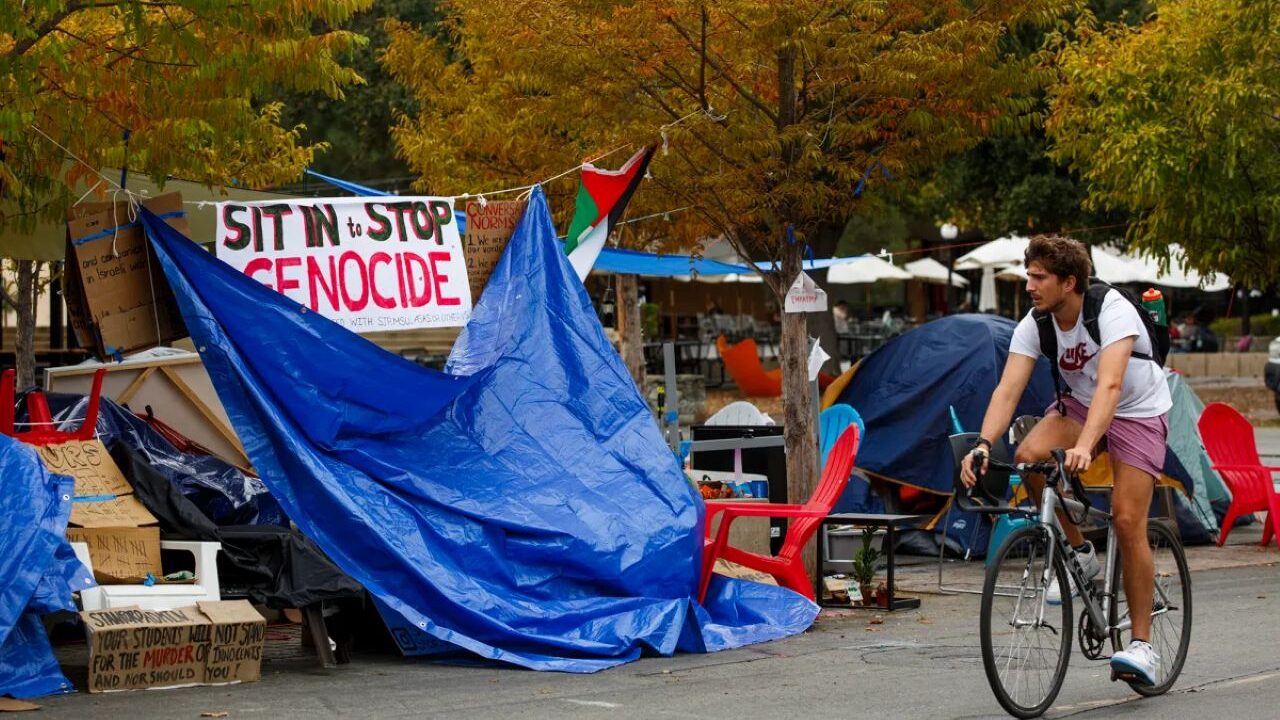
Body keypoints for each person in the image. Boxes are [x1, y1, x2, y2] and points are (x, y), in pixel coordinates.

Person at [959, 235, 1172, 687]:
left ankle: (1143, 646)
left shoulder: (1111, 309)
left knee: (1128, 519)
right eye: (1029, 275)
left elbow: (1112, 386)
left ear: (1069, 281)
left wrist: (1086, 445)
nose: (1030, 285)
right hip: (1080, 404)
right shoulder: (1035, 323)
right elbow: (1008, 389)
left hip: (1137, 408)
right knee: (1028, 457)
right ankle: (1080, 554)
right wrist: (981, 444)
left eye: (1040, 277)